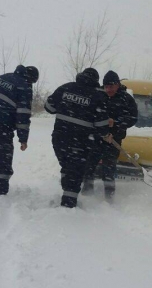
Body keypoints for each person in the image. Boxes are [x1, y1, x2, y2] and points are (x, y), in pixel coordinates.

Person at [44, 68, 111, 208]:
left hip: (59, 138)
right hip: (81, 141)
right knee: (75, 171)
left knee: (66, 165)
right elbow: (101, 125)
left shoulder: (65, 88)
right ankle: (68, 206)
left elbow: (49, 107)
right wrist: (105, 134)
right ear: (96, 81)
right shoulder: (97, 96)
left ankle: (66, 192)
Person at [0, 65, 39, 197]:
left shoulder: (1, 78)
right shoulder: (24, 86)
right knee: (3, 159)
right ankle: (0, 196)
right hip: (0, 126)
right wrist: (23, 139)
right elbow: (23, 114)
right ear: (31, 79)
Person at [82, 70, 138, 201]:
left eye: (111, 86)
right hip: (95, 139)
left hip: (113, 140)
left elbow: (133, 118)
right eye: (106, 86)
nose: (108, 89)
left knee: (108, 170)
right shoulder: (97, 95)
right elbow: (88, 114)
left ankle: (109, 198)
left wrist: (116, 123)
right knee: (89, 167)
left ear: (118, 85)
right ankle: (87, 195)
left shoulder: (126, 99)